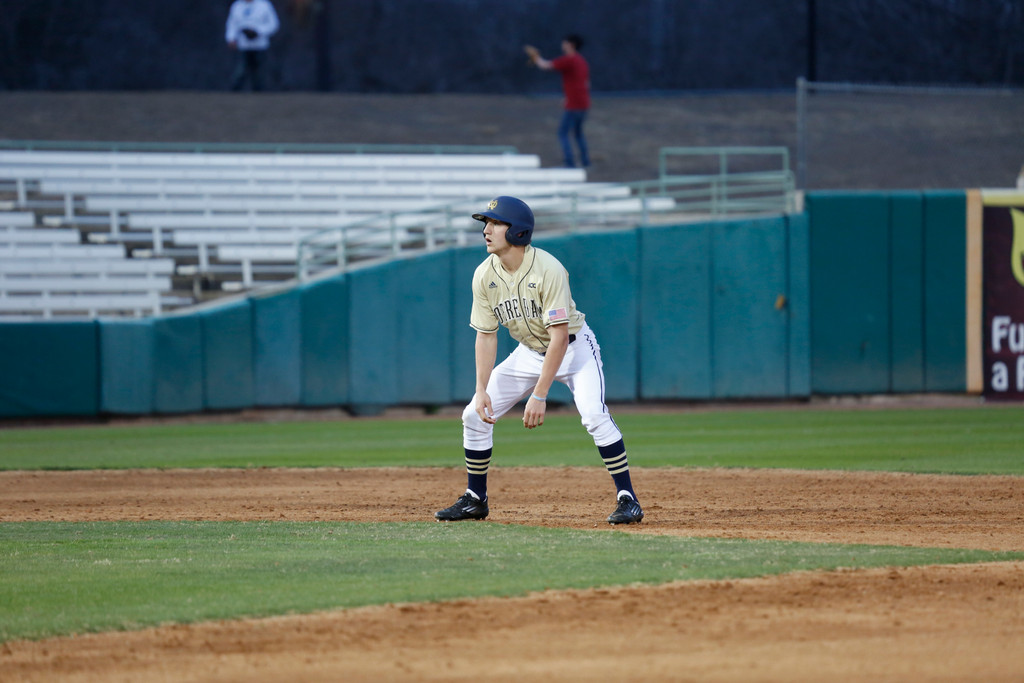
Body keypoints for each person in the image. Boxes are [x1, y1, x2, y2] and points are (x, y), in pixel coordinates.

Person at [435, 196, 643, 525]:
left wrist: (540, 394)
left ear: (517, 232)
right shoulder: (483, 275)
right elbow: (486, 335)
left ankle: (627, 498)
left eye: (494, 223)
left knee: (593, 416)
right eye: (485, 224)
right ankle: (476, 499)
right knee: (473, 415)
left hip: (575, 351)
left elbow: (559, 337)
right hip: (529, 352)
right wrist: (480, 388)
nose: (486, 230)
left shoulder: (548, 269)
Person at [524, 35, 591, 169]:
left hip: (574, 105)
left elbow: (546, 66)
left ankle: (569, 163)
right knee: (578, 134)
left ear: (570, 45)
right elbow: (585, 83)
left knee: (562, 133)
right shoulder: (581, 60)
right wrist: (569, 97)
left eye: (565, 43)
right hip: (583, 104)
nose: (562, 45)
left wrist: (536, 57)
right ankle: (585, 162)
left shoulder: (570, 60)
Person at [225, 0, 280, 91]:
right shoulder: (237, 6)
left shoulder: (264, 5)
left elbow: (274, 24)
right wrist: (231, 38)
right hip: (243, 45)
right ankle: (233, 96)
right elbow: (232, 24)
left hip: (260, 46)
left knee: (259, 73)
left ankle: (259, 96)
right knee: (240, 71)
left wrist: (258, 31)